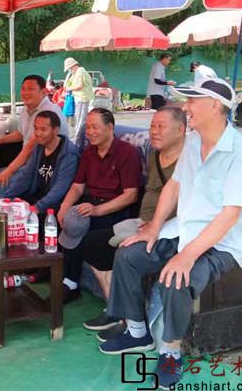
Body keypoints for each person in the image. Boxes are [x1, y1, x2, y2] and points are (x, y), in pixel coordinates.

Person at [99, 78, 242, 390]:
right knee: (128, 254)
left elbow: (229, 216)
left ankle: (171, 352)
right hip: (185, 228)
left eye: (192, 102)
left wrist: (186, 256)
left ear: (215, 106)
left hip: (224, 243)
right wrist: (153, 228)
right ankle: (137, 332)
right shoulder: (192, 142)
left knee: (175, 277)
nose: (186, 107)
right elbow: (174, 186)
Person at [81, 106, 186, 335]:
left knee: (125, 253)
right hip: (141, 221)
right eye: (152, 126)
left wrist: (155, 226)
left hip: (167, 230)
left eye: (161, 127)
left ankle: (130, 321)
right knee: (89, 243)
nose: (154, 131)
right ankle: (115, 309)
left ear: (180, 130)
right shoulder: (155, 155)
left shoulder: (190, 161)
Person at [56, 108, 141, 303]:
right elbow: (77, 187)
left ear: (110, 127)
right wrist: (65, 207)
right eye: (88, 128)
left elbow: (131, 195)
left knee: (84, 229)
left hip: (116, 209)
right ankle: (61, 275)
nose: (90, 132)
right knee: (67, 220)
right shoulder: (89, 152)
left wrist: (97, 210)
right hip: (90, 202)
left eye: (95, 127)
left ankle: (71, 282)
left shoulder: (127, 152)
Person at [0, 75, 68, 199]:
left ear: (44, 92)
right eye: (23, 89)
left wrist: (9, 171)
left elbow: (30, 148)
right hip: (30, 162)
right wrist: (1, 140)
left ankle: (7, 209)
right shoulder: (26, 110)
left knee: (3, 181)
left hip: (45, 166)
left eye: (31, 89)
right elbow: (21, 134)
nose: (25, 92)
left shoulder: (49, 112)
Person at [0, 111, 80, 210]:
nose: (38, 133)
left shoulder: (68, 153)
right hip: (35, 197)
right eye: (36, 128)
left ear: (55, 130)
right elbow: (26, 175)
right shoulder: (39, 146)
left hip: (54, 204)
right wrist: (6, 199)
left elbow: (60, 188)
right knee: (2, 186)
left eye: (43, 129)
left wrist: (37, 207)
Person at [63, 57, 94, 144]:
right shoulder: (75, 74)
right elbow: (66, 86)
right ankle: (78, 140)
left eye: (69, 69)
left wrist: (69, 88)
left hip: (82, 98)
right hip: (78, 99)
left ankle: (78, 141)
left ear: (72, 66)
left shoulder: (80, 71)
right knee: (79, 120)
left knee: (81, 121)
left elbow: (80, 85)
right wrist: (68, 76)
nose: (69, 70)